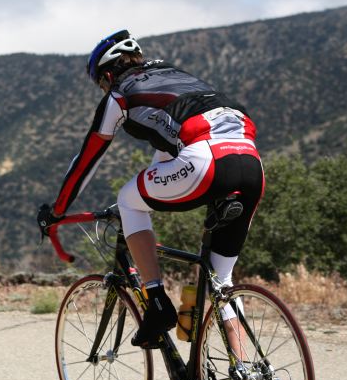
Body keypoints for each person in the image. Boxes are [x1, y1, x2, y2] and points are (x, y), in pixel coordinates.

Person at [37, 29, 264, 349]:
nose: (103, 89)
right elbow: (169, 148)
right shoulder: (176, 75)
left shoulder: (119, 94)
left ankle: (157, 304)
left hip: (206, 160)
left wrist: (57, 210)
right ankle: (244, 377)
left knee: (129, 200)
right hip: (251, 163)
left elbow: (87, 161)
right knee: (221, 281)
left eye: (101, 83)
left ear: (107, 73)